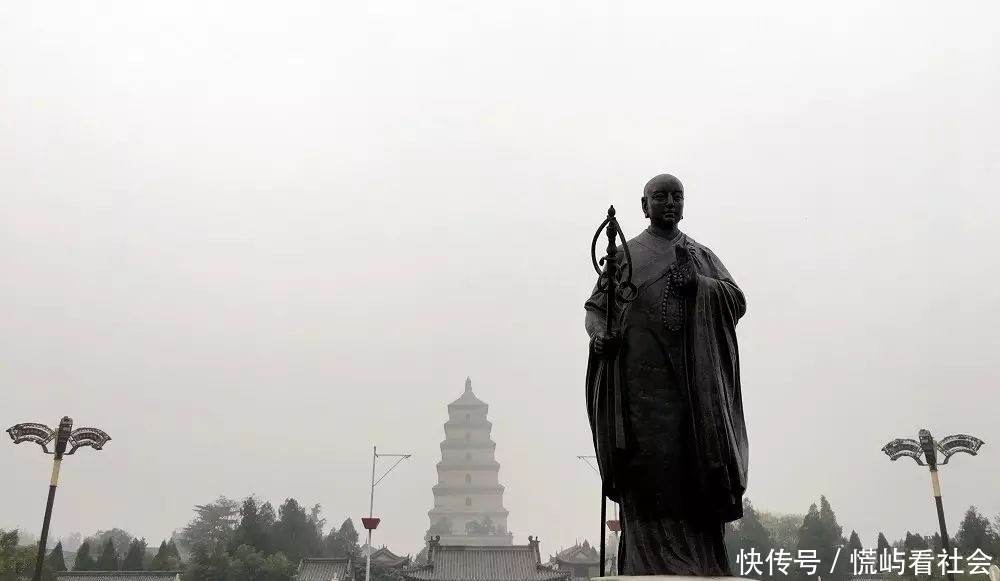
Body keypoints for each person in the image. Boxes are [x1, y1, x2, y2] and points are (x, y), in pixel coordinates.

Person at [584, 173, 748, 576]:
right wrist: (600, 336)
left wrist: (700, 286)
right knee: (646, 471)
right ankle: (645, 562)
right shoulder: (624, 256)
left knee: (694, 467)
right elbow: (595, 311)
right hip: (639, 385)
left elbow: (736, 300)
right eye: (660, 197)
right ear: (645, 206)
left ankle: (702, 562)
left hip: (692, 386)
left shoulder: (700, 254)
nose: (669, 203)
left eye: (677, 196)